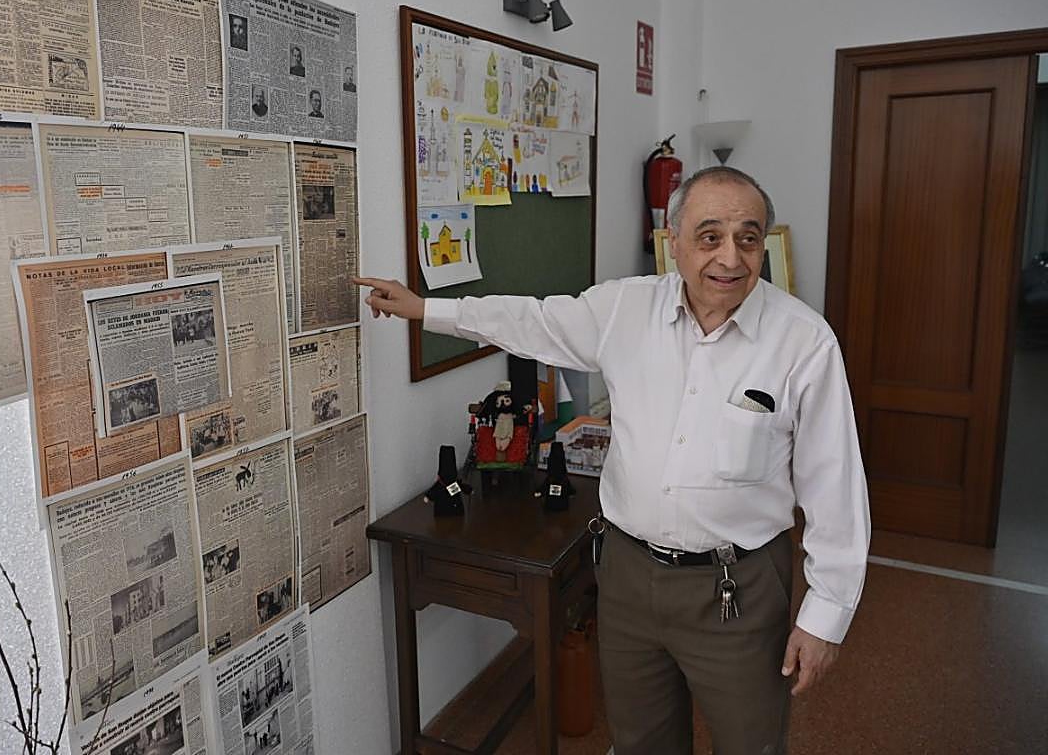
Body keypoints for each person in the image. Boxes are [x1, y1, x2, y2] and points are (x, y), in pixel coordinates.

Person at [356, 166, 870, 755]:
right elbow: (533, 320)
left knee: (750, 744)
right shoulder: (625, 309)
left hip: (738, 589)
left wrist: (825, 616)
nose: (730, 258)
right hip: (627, 578)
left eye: (747, 238)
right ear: (672, 241)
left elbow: (835, 486)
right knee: (640, 741)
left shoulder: (804, 341)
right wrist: (427, 310)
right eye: (709, 237)